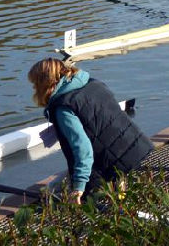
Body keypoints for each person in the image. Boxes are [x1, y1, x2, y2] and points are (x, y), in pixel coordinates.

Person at [28, 58, 153, 203]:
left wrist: (78, 188)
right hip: (140, 151)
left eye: (35, 84)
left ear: (45, 83)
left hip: (113, 166)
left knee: (50, 193)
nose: (34, 88)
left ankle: (112, 184)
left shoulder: (64, 108)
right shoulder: (93, 84)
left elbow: (83, 149)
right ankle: (121, 183)